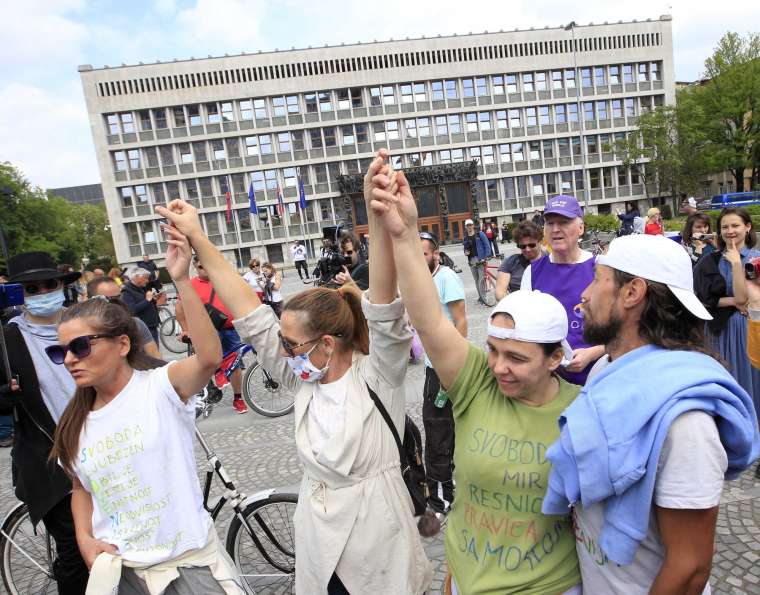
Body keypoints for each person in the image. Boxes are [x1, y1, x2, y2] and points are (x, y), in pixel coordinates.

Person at [155, 150, 433, 594]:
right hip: (321, 544)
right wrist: (198, 240)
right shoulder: (302, 377)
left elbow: (382, 301)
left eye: (291, 344)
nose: (282, 352)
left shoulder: (377, 373)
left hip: (378, 542)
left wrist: (376, 212)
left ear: (327, 343)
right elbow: (249, 312)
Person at [367, 171, 582, 594]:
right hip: (464, 581)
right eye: (495, 350)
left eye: (517, 358)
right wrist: (405, 232)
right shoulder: (478, 384)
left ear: (556, 357)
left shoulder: (582, 411)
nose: (498, 366)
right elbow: (428, 319)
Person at [542, 234, 760, 593]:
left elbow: (690, 568)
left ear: (632, 292)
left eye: (597, 279)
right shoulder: (605, 369)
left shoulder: (686, 419)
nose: (584, 294)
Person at [49, 226, 243, 594]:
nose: (70, 359)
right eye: (61, 352)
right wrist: (84, 539)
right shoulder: (75, 421)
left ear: (122, 344)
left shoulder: (160, 387)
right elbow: (80, 487)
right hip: (121, 576)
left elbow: (209, 357)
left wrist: (182, 279)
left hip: (188, 568)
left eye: (80, 346)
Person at [0, 251, 89, 593]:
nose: (41, 293)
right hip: (48, 457)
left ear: (61, 285)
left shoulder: (84, 324)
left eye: (47, 285)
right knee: (75, 551)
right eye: (31, 288)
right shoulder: (8, 338)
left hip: (101, 444)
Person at [522, 194, 604, 385]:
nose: (556, 229)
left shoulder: (600, 267)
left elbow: (626, 332)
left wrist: (592, 353)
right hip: (551, 383)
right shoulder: (533, 272)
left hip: (599, 377)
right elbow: (526, 330)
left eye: (564, 222)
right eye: (550, 223)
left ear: (581, 227)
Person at [419, 231, 467, 516]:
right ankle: (441, 491)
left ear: (435, 254)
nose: (419, 258)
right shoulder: (419, 280)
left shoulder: (446, 277)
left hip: (445, 369)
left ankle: (441, 499)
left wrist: (452, 367)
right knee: (436, 430)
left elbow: (461, 322)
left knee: (439, 433)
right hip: (430, 366)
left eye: (423, 253)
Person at [694, 207, 760, 410]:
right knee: (725, 381)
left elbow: (744, 299)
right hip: (718, 331)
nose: (730, 231)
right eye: (725, 227)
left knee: (751, 383)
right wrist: (731, 301)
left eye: (735, 225)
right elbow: (701, 298)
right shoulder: (709, 260)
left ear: (747, 227)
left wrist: (735, 265)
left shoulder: (756, 260)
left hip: (749, 330)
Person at [176, 254, 248, 414]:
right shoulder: (191, 284)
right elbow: (180, 308)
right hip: (207, 331)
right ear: (195, 267)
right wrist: (185, 329)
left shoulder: (221, 280)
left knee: (236, 364)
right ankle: (219, 374)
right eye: (201, 267)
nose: (205, 269)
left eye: (207, 265)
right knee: (210, 361)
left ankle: (238, 398)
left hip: (230, 329)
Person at [87, 277, 162, 359]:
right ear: (92, 301)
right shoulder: (83, 331)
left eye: (119, 297)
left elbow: (156, 357)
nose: (116, 303)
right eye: (107, 299)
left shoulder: (135, 324)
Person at [495, 220, 543, 300]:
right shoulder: (511, 262)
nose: (527, 249)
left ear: (540, 242)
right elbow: (499, 293)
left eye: (531, 245)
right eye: (523, 246)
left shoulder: (551, 259)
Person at [121, 267, 160, 345]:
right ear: (137, 277)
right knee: (150, 354)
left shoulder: (141, 288)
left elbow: (145, 302)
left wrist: (153, 299)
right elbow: (132, 310)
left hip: (151, 325)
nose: (147, 281)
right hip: (143, 328)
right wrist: (147, 300)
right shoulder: (127, 291)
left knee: (155, 352)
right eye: (146, 278)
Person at [462, 219, 492, 298]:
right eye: (467, 225)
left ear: (473, 225)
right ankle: (480, 297)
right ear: (465, 227)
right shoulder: (465, 238)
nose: (469, 227)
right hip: (471, 260)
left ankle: (483, 297)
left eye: (470, 225)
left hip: (480, 259)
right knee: (476, 279)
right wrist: (465, 252)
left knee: (481, 279)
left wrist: (486, 257)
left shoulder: (480, 234)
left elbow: (487, 245)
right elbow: (465, 249)